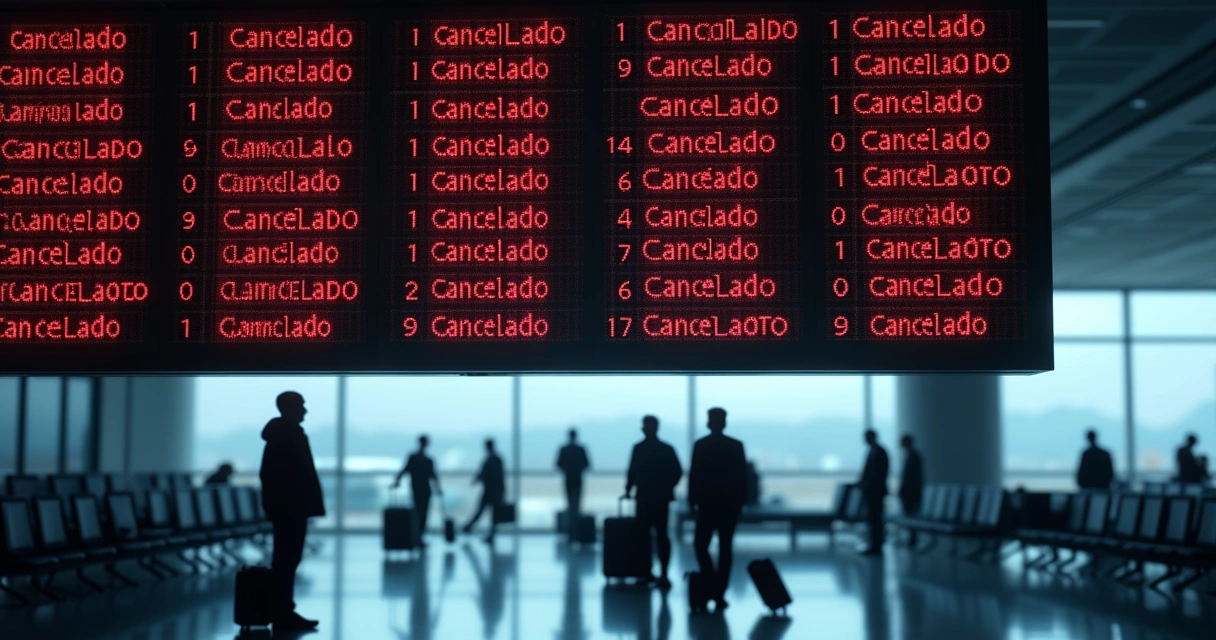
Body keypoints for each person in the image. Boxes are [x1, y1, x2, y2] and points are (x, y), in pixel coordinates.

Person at [259, 391, 325, 631]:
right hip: (292, 507)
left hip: (287, 507)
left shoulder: (281, 435)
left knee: (286, 559)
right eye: (301, 406)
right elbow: (294, 474)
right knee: (287, 560)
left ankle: (283, 610)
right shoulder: (289, 436)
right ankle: (283, 612)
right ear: (290, 408)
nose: (305, 410)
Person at [688, 407, 747, 610]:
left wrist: (692, 502)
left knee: (700, 545)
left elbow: (694, 476)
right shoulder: (736, 446)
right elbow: (742, 478)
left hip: (707, 504)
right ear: (724, 422)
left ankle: (710, 581)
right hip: (728, 505)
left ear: (709, 423)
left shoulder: (701, 445)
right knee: (725, 549)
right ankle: (719, 591)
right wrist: (740, 503)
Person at [624, 415, 683, 590]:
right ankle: (663, 574)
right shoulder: (666, 449)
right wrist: (667, 486)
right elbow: (677, 471)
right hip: (661, 498)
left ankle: (645, 572)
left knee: (643, 537)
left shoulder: (639, 448)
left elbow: (632, 471)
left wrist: (628, 490)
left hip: (644, 497)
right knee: (662, 536)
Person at [392, 435, 443, 547]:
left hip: (417, 489)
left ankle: (416, 537)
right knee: (422, 514)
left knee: (418, 514)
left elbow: (404, 470)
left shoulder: (414, 458)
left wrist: (397, 482)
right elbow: (433, 476)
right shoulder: (428, 460)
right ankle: (418, 537)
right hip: (425, 490)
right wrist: (438, 489)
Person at [463, 438, 506, 543]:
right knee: (493, 514)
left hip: (489, 491)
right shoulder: (497, 459)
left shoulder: (489, 460)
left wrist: (475, 481)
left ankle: (468, 527)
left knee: (481, 511)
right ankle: (487, 534)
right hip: (496, 491)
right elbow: (500, 476)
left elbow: (482, 473)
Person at [857, 429, 889, 556]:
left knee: (876, 519)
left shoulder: (878, 451)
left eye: (866, 437)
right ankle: (875, 544)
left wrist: (867, 484)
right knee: (873, 519)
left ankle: (877, 545)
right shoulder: (875, 451)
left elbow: (877, 473)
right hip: (873, 492)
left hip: (876, 492)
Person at [556, 428, 590, 517]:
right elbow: (587, 464)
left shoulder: (564, 449)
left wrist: (567, 469)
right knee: (576, 497)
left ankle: (572, 514)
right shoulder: (580, 449)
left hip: (569, 477)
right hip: (577, 477)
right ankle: (576, 514)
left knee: (569, 497)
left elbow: (558, 464)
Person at [898, 434, 923, 545]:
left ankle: (913, 539)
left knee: (911, 515)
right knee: (910, 515)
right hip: (909, 492)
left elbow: (913, 477)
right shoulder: (911, 455)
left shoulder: (913, 456)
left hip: (911, 493)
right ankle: (912, 538)